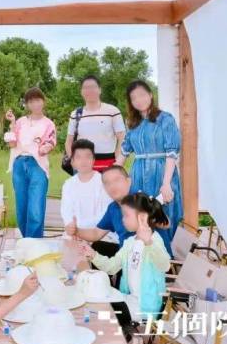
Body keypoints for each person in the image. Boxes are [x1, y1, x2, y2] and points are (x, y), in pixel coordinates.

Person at [78, 193, 170, 344]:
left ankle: (126, 339)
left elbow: (165, 265)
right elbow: (112, 267)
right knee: (96, 298)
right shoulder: (130, 243)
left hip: (146, 306)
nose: (123, 220)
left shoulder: (155, 241)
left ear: (142, 217)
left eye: (126, 215)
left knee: (106, 309)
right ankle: (126, 336)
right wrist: (92, 254)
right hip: (129, 299)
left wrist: (149, 242)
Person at [116, 79, 182, 257]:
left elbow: (172, 153)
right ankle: (141, 258)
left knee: (162, 215)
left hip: (161, 173)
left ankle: (165, 261)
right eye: (134, 98)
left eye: (142, 95)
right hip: (138, 174)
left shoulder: (165, 119)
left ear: (151, 95)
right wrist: (112, 176)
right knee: (139, 215)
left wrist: (166, 183)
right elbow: (124, 151)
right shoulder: (132, 123)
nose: (139, 100)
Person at [65, 165, 140, 274]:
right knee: (99, 246)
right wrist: (76, 230)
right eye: (107, 183)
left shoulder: (141, 201)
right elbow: (96, 233)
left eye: (117, 180)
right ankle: (103, 282)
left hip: (142, 257)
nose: (112, 186)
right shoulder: (113, 207)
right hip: (124, 253)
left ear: (128, 181)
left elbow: (162, 223)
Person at [5, 87, 57, 238]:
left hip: (37, 165)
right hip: (19, 164)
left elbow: (50, 142)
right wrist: (12, 123)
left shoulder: (48, 124)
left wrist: (46, 147)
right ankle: (26, 241)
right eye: (31, 101)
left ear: (43, 101)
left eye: (38, 100)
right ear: (27, 104)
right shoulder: (21, 122)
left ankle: (34, 243)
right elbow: (12, 144)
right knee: (21, 207)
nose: (35, 104)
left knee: (35, 208)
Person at [60, 139, 116, 246]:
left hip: (100, 234)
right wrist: (70, 225)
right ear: (73, 161)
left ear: (94, 160)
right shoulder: (68, 184)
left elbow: (106, 213)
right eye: (79, 157)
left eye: (87, 157)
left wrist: (82, 231)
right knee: (67, 250)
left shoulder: (103, 182)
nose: (83, 161)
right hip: (75, 233)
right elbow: (66, 210)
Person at [64, 75, 126, 172]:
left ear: (100, 90)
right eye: (86, 88)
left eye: (93, 87)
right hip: (83, 165)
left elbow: (122, 137)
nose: (89, 90)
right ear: (81, 92)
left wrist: (118, 160)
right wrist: (73, 160)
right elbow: (69, 141)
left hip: (108, 164)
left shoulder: (113, 111)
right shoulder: (76, 114)